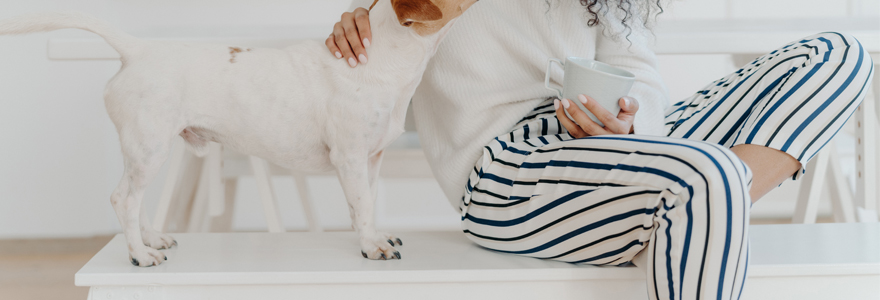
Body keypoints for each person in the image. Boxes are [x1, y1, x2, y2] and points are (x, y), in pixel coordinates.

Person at [328, 1, 874, 299]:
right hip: (507, 171)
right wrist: (366, 16)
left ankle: (678, 212)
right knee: (707, 176)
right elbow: (388, 39)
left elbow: (638, 73)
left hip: (627, 149)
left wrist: (631, 126)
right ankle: (688, 209)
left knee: (838, 55)